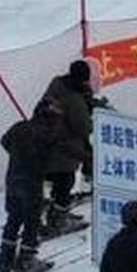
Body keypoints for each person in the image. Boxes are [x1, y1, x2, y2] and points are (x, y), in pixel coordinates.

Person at [0, 101, 59, 272]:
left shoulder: (20, 127)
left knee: (13, 218)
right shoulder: (48, 135)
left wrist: (17, 155)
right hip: (31, 183)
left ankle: (5, 260)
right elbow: (50, 161)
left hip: (13, 179)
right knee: (32, 222)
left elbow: (4, 141)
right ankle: (27, 259)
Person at [38, 59, 99, 219]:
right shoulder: (74, 100)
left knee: (49, 176)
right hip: (63, 149)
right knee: (65, 182)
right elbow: (84, 127)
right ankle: (59, 218)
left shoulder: (57, 84)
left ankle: (44, 204)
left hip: (43, 140)